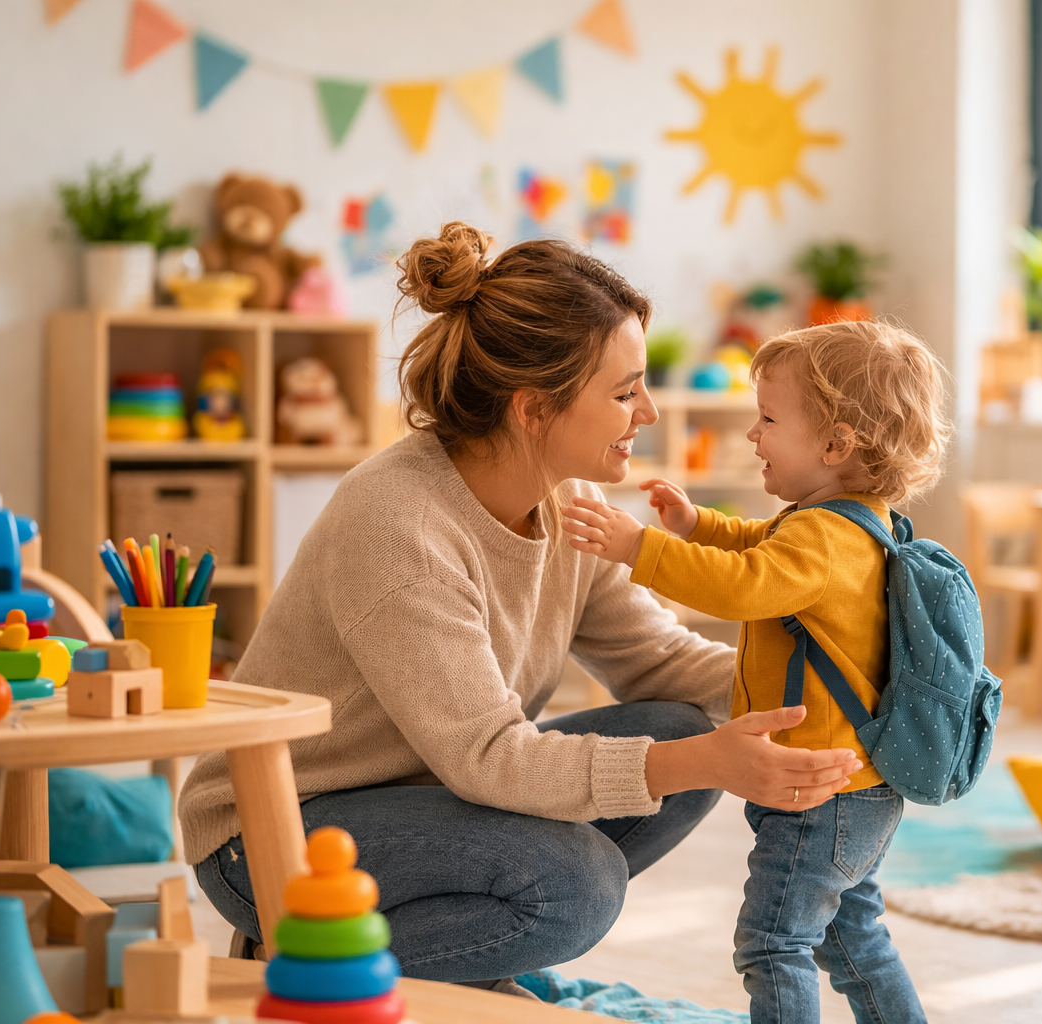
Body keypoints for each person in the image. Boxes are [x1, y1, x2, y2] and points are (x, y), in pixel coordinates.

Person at [178, 224, 865, 992]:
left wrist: (843, 686)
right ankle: (293, 958)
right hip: (275, 830)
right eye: (623, 391)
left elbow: (660, 661)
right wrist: (710, 759)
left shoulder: (570, 501)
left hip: (432, 796)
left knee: (680, 728)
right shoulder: (398, 525)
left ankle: (461, 953)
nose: (649, 413)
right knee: (576, 884)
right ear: (533, 409)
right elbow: (491, 758)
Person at [561, 320, 948, 1024]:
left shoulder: (822, 537)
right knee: (853, 937)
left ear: (835, 444)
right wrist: (698, 525)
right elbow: (761, 544)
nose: (751, 435)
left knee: (772, 942)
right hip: (856, 787)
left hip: (818, 794)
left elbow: (744, 585)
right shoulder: (849, 523)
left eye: (768, 419)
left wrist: (639, 547)